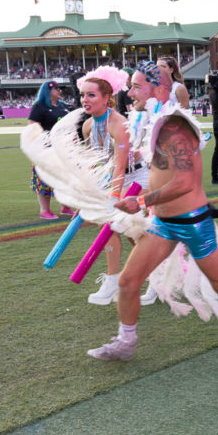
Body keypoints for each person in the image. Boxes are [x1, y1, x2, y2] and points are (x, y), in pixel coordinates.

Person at [87, 69, 218, 362]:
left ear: (158, 89)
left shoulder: (174, 127)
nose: (129, 93)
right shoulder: (155, 120)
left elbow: (185, 183)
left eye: (136, 87)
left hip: (193, 223)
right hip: (163, 223)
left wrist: (141, 201)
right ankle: (125, 342)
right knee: (128, 280)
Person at [78, 66, 151, 306]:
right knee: (131, 233)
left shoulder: (119, 124)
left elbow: (120, 166)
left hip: (137, 178)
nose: (85, 100)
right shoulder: (88, 126)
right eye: (82, 95)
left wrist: (113, 199)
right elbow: (94, 165)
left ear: (106, 98)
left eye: (91, 95)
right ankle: (156, 276)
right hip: (115, 179)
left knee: (116, 224)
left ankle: (113, 280)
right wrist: (87, 195)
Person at [27, 80, 72, 219]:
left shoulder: (63, 106)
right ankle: (44, 210)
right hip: (46, 149)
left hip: (63, 149)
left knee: (65, 179)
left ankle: (65, 206)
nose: (59, 91)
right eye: (56, 89)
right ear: (48, 91)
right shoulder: (39, 107)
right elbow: (33, 128)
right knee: (45, 180)